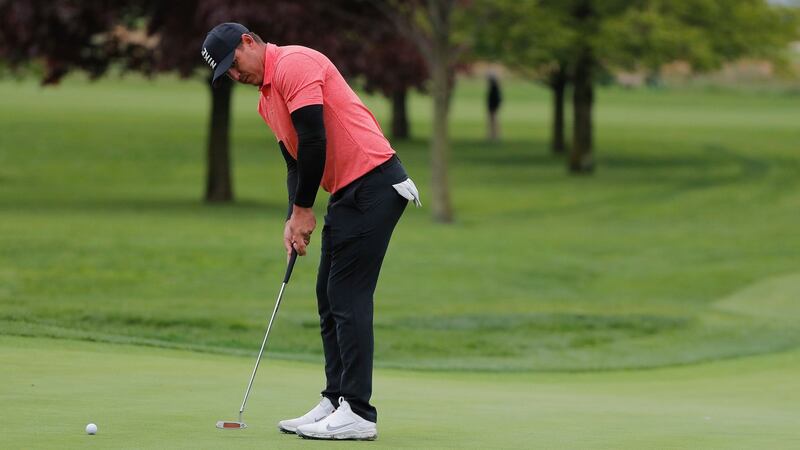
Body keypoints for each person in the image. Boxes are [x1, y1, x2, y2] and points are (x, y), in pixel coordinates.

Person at [201, 23, 420, 441]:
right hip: (347, 189)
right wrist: (293, 219)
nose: (234, 74)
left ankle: (358, 411)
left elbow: (315, 138)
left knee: (348, 295)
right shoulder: (267, 100)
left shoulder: (294, 64)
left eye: (234, 63)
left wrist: (305, 210)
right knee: (328, 295)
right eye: (225, 73)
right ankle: (337, 398)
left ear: (249, 41)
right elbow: (296, 163)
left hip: (374, 183)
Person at [487, 72, 502, 142]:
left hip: (493, 107)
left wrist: (494, 107)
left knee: (494, 121)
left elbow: (496, 99)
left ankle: (494, 135)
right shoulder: (494, 88)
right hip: (492, 107)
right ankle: (492, 135)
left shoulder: (494, 88)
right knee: (493, 121)